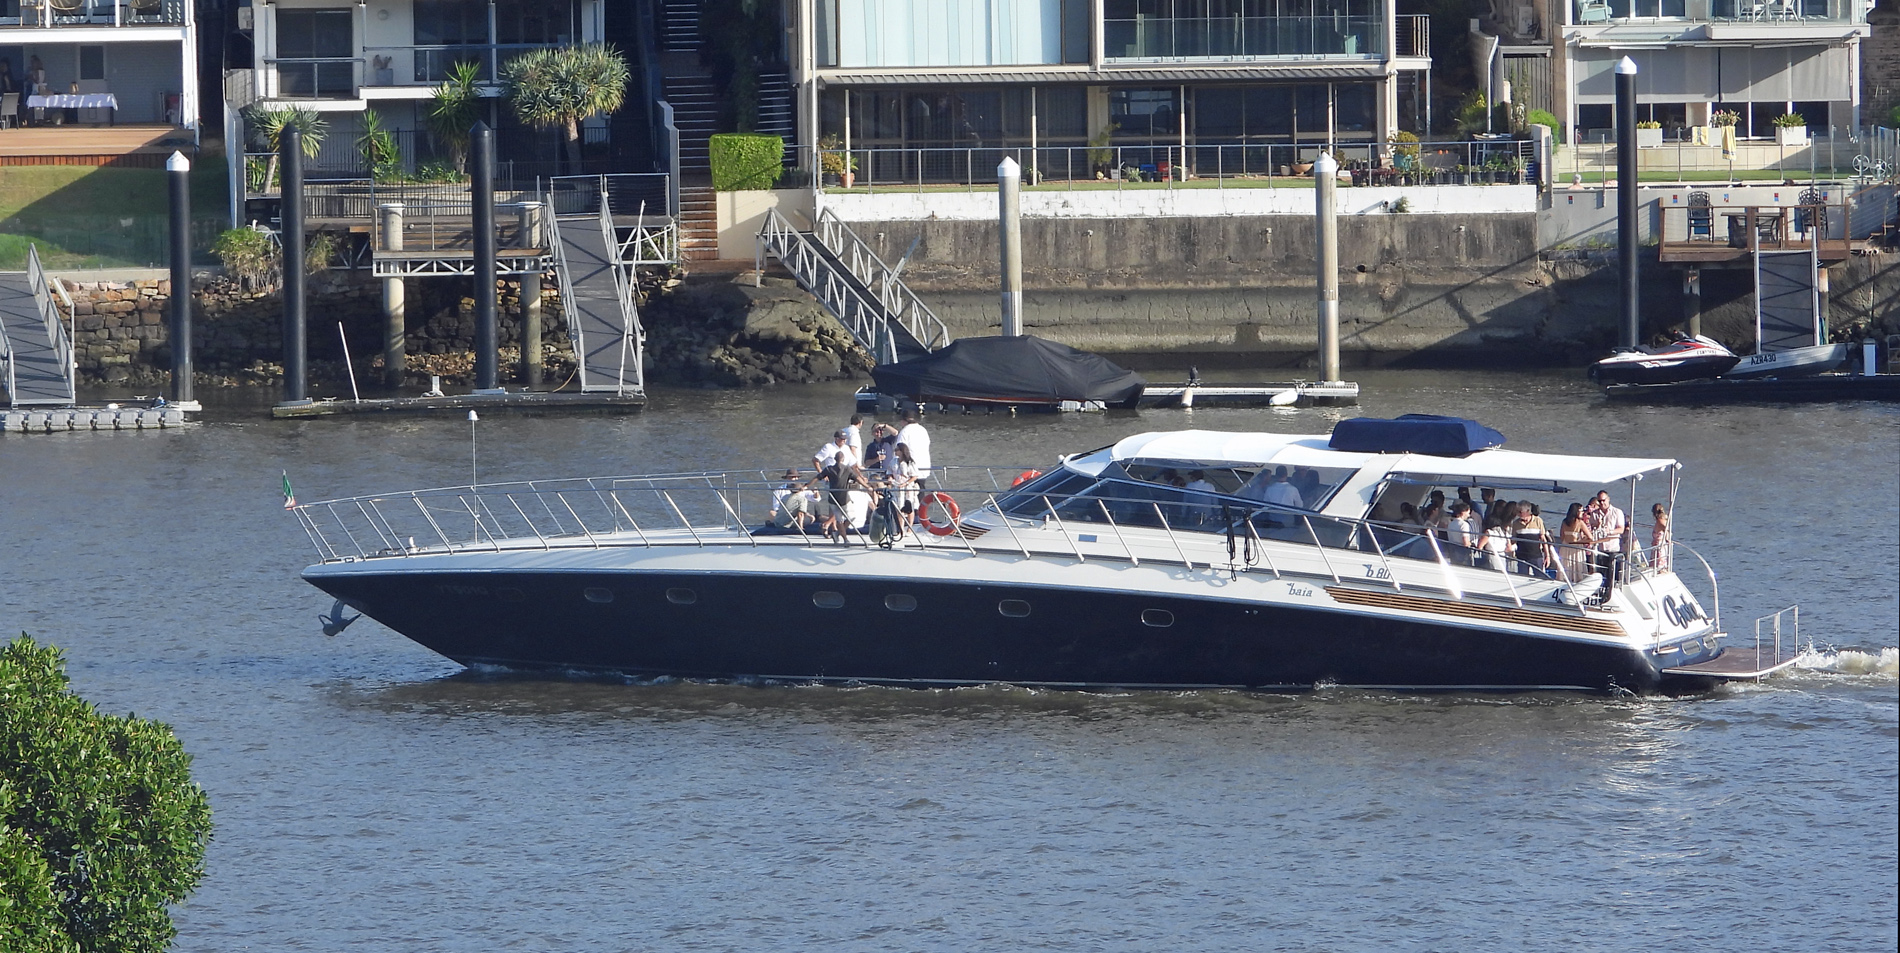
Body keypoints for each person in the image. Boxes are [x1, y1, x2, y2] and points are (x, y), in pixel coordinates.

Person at [1511, 502, 1551, 576]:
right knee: (1522, 577)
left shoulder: (1538, 521)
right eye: (1517, 512)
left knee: (1540, 576)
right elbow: (1513, 540)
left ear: (1528, 511)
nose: (1518, 514)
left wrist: (1547, 556)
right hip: (1522, 557)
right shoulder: (1516, 523)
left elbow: (1543, 539)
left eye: (1520, 512)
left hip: (1536, 556)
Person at [896, 409, 932, 489]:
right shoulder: (923, 430)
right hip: (924, 468)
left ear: (904, 421)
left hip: (910, 471)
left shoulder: (904, 431)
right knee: (920, 491)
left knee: (909, 493)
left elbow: (900, 450)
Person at [1559, 502, 1591, 582]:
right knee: (1577, 568)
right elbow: (1590, 537)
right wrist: (1583, 540)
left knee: (1565, 565)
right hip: (1576, 547)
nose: (1583, 512)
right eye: (1581, 511)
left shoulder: (1564, 522)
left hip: (1565, 547)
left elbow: (1562, 535)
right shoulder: (1580, 522)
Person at [1648, 503, 1672, 572]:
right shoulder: (1661, 520)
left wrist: (1667, 538)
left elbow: (1666, 529)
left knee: (1658, 564)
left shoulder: (1660, 521)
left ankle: (1660, 571)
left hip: (1659, 545)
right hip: (1657, 545)